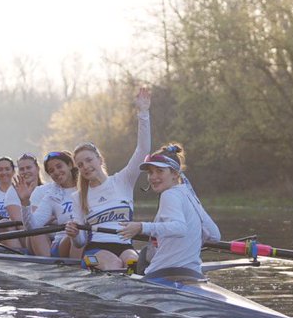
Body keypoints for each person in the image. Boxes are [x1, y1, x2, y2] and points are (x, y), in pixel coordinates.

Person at [64, 86, 152, 270]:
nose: (85, 166)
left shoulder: (123, 180)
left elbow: (143, 150)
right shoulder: (78, 197)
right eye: (80, 165)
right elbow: (80, 242)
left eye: (89, 160)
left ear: (99, 159)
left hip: (125, 246)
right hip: (94, 250)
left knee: (133, 263)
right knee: (114, 264)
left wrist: (143, 113)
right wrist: (73, 234)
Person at [118, 143, 220, 281]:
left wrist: (141, 227)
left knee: (143, 255)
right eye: (150, 172)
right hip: (193, 274)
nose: (153, 177)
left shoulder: (169, 195)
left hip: (163, 274)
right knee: (147, 252)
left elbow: (179, 228)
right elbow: (214, 235)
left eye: (160, 171)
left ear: (175, 174)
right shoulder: (189, 195)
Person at [12, 150, 79, 258]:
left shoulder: (88, 188)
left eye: (59, 166)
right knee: (77, 232)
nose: (56, 172)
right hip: (64, 242)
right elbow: (32, 227)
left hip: (92, 239)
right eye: (51, 171)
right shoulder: (51, 196)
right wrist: (25, 202)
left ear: (70, 165)